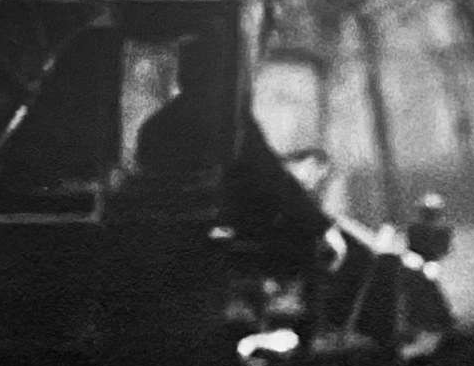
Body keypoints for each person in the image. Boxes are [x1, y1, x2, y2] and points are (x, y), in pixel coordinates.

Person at [134, 34, 332, 258]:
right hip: (203, 254)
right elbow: (272, 179)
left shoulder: (155, 127)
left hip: (159, 248)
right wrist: (320, 226)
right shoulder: (230, 124)